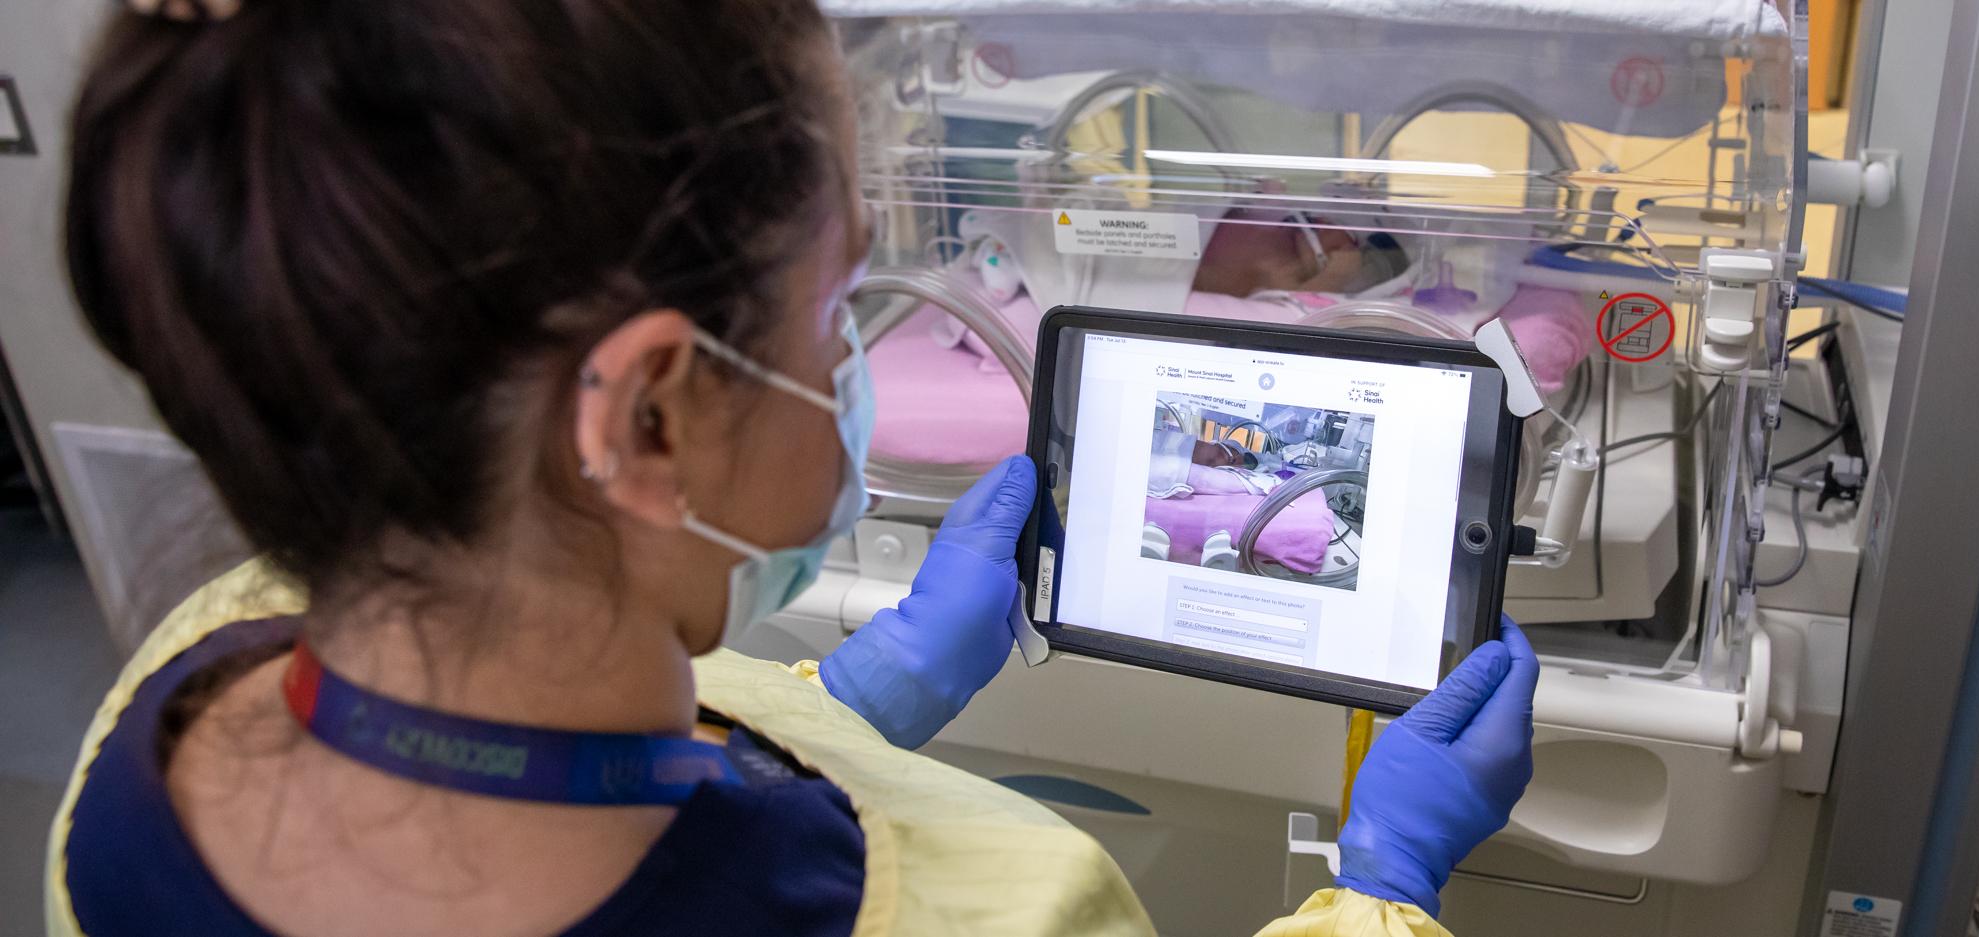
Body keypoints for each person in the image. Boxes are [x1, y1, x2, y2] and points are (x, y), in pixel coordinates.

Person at [46, 1, 1539, 935]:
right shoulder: (998, 905)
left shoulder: (163, 716)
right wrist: (1382, 888)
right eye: (839, 311)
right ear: (645, 419)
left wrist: (856, 701)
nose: (860, 364)